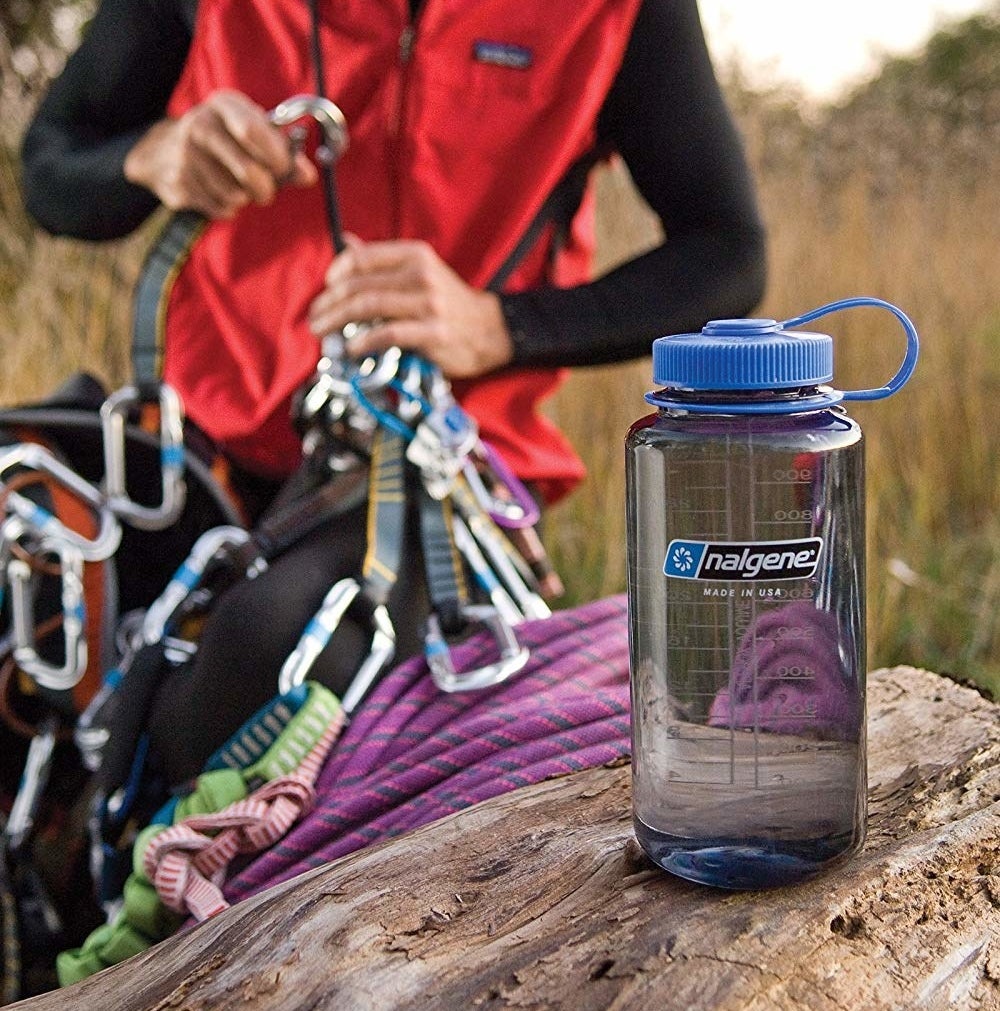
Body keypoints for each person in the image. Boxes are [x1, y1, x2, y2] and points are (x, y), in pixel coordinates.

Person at [18, 0, 767, 782]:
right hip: (198, 442)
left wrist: (498, 324)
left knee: (268, 662)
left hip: (436, 469)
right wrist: (153, 154)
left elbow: (727, 249)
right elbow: (50, 166)